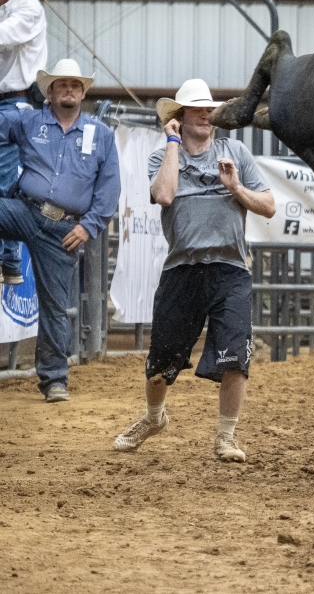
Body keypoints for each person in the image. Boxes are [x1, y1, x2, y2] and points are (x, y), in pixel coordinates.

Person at [113, 78, 275, 462]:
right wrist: (172, 144)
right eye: (196, 109)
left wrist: (235, 186)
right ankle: (154, 417)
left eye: (209, 109)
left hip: (230, 268)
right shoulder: (162, 157)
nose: (205, 115)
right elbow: (165, 194)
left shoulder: (234, 151)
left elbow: (268, 206)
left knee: (236, 355)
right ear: (179, 117)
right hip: (182, 269)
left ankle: (226, 437)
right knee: (160, 364)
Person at [0, 58, 119, 401]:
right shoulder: (28, 120)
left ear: (82, 93)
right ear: (49, 92)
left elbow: (109, 188)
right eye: (61, 84)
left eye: (75, 85)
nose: (69, 88)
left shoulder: (102, 135)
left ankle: (54, 380)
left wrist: (89, 227)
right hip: (25, 209)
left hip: (64, 229)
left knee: (54, 305)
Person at [0, 0, 46, 285]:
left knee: (4, 180)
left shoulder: (28, 8)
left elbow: (5, 35)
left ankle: (10, 259)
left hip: (16, 103)